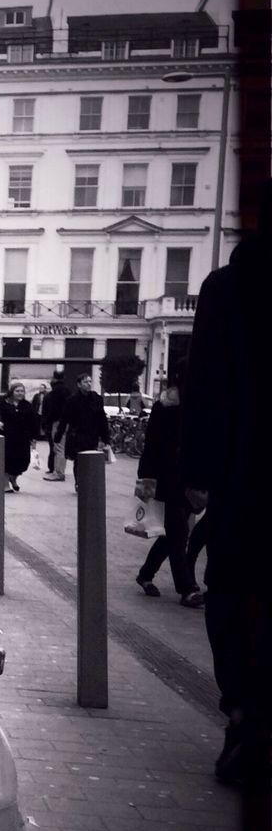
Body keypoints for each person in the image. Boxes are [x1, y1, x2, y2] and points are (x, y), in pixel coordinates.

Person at [181, 179, 272, 788]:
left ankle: (242, 710)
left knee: (232, 593)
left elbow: (205, 388)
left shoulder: (230, 287)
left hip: (248, 479)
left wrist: (199, 474)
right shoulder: (229, 288)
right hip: (244, 476)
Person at [133, 376, 205, 608]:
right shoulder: (164, 406)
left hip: (188, 479)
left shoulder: (197, 405)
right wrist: (145, 476)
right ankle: (187, 589)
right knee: (179, 533)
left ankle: (145, 574)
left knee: (171, 535)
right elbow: (152, 443)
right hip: (166, 478)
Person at [51, 373, 108, 488]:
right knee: (78, 459)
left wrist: (105, 437)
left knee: (90, 459)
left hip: (92, 434)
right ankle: (79, 482)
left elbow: (102, 418)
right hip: (77, 435)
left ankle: (87, 481)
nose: (88, 384)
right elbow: (64, 419)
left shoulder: (96, 399)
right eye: (85, 382)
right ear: (79, 384)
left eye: (90, 381)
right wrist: (58, 436)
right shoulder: (72, 400)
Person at [0, 380, 40, 492]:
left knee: (23, 462)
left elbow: (34, 421)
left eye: (22, 391)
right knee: (7, 461)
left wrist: (34, 437)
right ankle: (5, 484)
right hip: (7, 438)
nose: (20, 393)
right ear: (11, 392)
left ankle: (13, 477)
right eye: (17, 391)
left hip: (23, 439)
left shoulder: (27, 405)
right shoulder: (2, 404)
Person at [40, 375, 70, 480]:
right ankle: (60, 470)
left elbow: (48, 412)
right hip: (67, 422)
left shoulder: (51, 395)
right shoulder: (67, 392)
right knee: (62, 448)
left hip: (56, 423)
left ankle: (59, 472)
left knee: (58, 448)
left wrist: (46, 424)